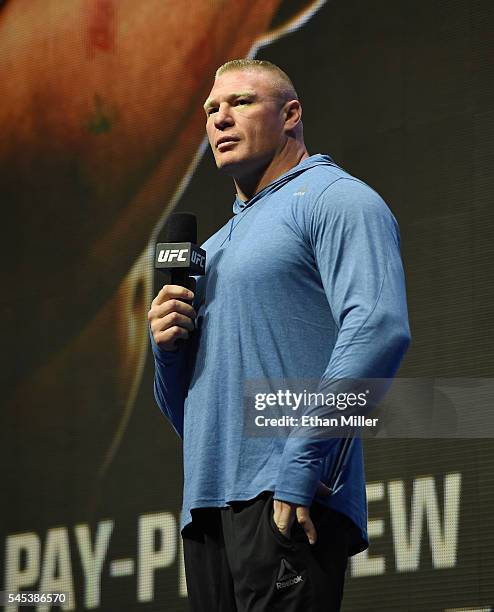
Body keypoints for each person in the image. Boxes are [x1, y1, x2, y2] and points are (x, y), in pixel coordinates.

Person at [148, 59, 411, 611]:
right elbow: (190, 415)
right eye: (210, 110)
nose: (219, 119)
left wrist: (302, 463)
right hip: (209, 509)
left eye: (240, 103)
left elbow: (379, 328)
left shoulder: (334, 198)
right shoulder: (213, 249)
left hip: (290, 497)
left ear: (290, 114)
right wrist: (168, 352)